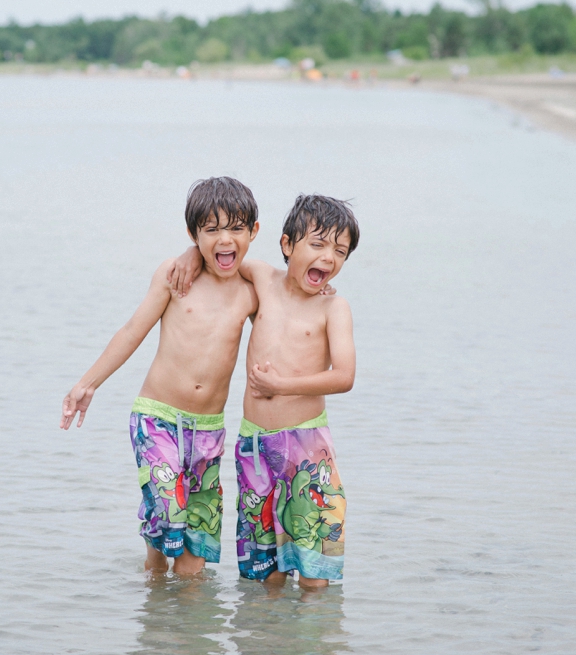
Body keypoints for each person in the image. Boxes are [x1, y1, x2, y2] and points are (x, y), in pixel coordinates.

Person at [60, 177, 260, 577]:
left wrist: (319, 293)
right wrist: (88, 383)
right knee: (168, 512)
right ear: (193, 234)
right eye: (212, 230)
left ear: (254, 232)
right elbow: (133, 330)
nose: (225, 239)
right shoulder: (176, 277)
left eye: (236, 228)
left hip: (208, 430)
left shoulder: (252, 290)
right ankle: (153, 569)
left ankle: (183, 632)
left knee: (194, 553)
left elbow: (289, 303)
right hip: (157, 418)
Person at [171, 194, 359, 590]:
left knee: (312, 567)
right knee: (263, 571)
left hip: (306, 448)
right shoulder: (261, 277)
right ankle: (266, 644)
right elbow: (221, 251)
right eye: (318, 244)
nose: (328, 258)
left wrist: (282, 386)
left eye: (339, 252)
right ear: (288, 244)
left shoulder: (333, 308)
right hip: (255, 447)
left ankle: (310, 646)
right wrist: (190, 253)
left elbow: (344, 376)